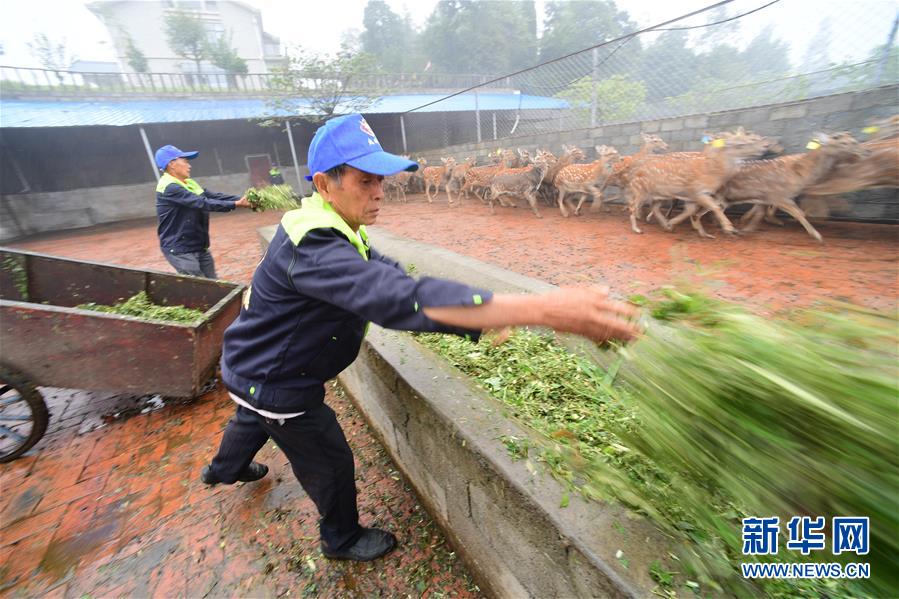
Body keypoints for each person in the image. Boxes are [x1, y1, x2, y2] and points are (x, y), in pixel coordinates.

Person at [200, 114, 639, 563]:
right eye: (366, 181)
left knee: (250, 416)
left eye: (382, 181)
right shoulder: (314, 243)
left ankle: (223, 469)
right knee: (328, 460)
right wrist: (547, 310)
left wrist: (481, 312)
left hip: (249, 361)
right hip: (279, 380)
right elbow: (394, 299)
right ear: (324, 183)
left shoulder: (331, 224)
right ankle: (341, 538)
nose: (379, 193)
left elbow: (387, 273)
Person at [154, 144, 252, 278]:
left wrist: (243, 199)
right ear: (172, 164)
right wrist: (236, 204)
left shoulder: (188, 182)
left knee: (214, 284)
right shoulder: (169, 187)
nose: (189, 166)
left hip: (198, 244)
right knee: (200, 287)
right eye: (185, 161)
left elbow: (213, 196)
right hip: (179, 248)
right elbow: (202, 203)